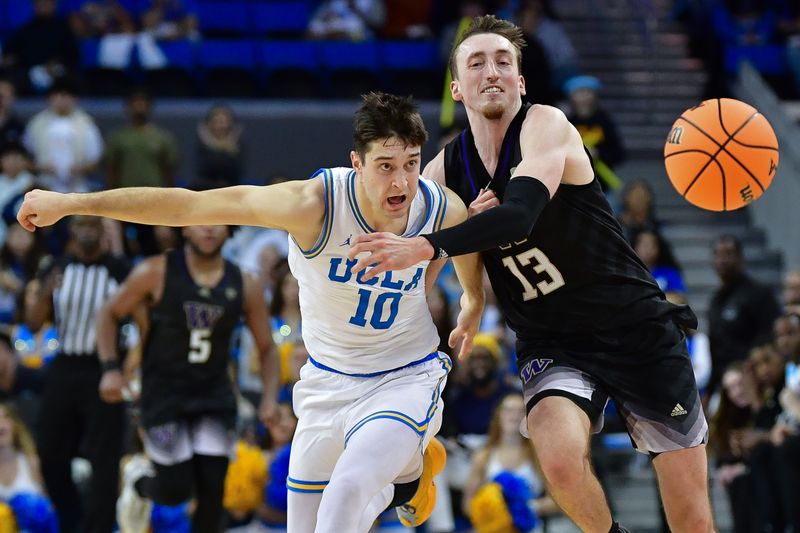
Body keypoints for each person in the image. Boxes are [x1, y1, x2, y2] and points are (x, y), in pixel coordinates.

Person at [15, 92, 485, 533]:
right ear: (356, 163)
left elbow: (464, 237)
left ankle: (404, 469)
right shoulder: (311, 206)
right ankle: (408, 474)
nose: (401, 181)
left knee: (346, 493)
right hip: (327, 384)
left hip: (403, 377)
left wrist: (472, 299)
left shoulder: (438, 206)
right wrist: (73, 203)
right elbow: (190, 205)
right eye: (385, 166)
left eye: (411, 164)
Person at [347, 16, 713, 533]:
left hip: (635, 329)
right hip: (552, 340)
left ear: (521, 81)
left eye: (504, 62)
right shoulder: (441, 175)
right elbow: (409, 274)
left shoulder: (546, 125)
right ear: (458, 87)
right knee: (560, 461)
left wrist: (430, 244)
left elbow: (518, 215)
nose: (491, 71)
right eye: (477, 62)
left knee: (692, 520)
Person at [95, 224, 277, 533]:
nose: (208, 228)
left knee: (212, 490)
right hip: (164, 394)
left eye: (217, 221)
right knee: (174, 489)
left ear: (230, 229)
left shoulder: (244, 282)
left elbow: (267, 346)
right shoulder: (156, 271)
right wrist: (110, 368)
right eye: (200, 220)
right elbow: (109, 313)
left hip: (214, 393)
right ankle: (138, 483)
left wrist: (270, 398)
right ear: (185, 229)